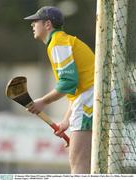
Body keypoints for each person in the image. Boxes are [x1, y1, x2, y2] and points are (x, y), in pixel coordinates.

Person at [24, 6, 94, 174]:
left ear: (48, 24)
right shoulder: (61, 41)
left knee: (79, 162)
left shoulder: (57, 42)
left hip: (89, 99)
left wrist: (43, 102)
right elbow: (76, 89)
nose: (32, 24)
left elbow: (68, 83)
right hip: (91, 97)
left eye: (36, 21)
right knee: (88, 161)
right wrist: (66, 120)